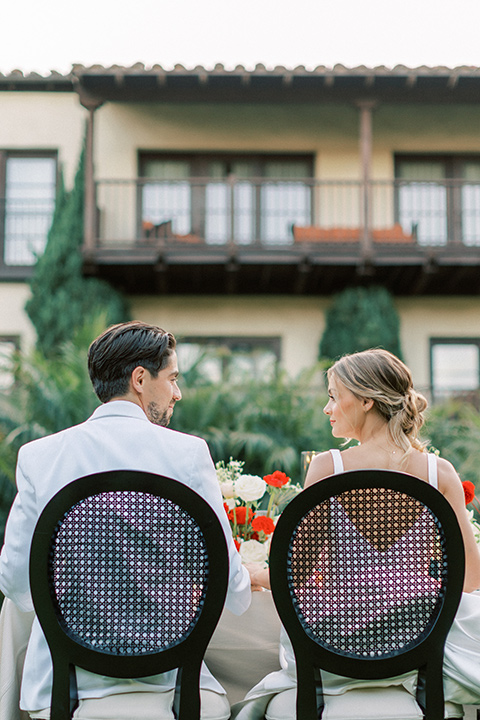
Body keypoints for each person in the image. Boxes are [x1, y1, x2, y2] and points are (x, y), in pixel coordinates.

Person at [0, 320, 251, 720]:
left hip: (63, 689)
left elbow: (15, 582)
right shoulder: (187, 454)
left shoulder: (39, 456)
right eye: (172, 379)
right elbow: (232, 588)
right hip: (170, 685)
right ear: (139, 379)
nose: (178, 393)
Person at [235, 348, 480, 720]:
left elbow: (294, 576)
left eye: (333, 396)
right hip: (419, 648)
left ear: (366, 400)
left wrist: (251, 574)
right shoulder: (438, 473)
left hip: (338, 652)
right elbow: (470, 579)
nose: (326, 407)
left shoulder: (328, 468)